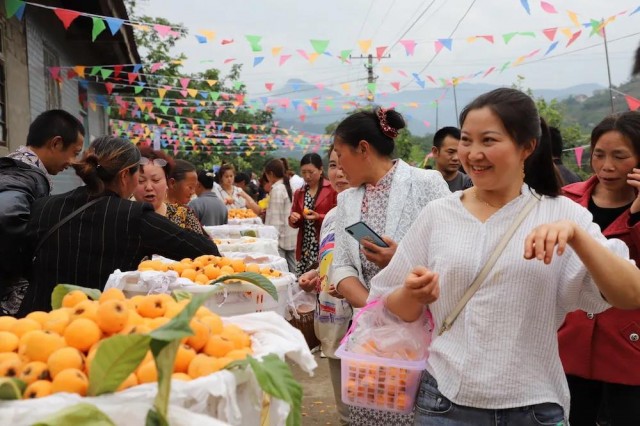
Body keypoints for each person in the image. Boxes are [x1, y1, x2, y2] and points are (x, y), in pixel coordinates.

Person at [370, 88, 640, 425]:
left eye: (489, 140)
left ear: (527, 146)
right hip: (445, 402)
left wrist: (578, 238)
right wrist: (412, 292)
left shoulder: (563, 214)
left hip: (534, 407)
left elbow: (630, 294)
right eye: (467, 140)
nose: (473, 153)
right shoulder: (438, 215)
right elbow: (390, 306)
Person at [331, 106, 450, 425]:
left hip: (418, 335)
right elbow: (341, 267)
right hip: (369, 338)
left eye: (340, 155)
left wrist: (399, 261)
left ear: (363, 149)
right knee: (368, 409)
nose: (339, 167)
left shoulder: (428, 184)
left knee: (410, 411)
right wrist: (376, 309)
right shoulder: (346, 200)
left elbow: (449, 256)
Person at [18, 136, 220, 315]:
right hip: (96, 326)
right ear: (125, 176)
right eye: (138, 176)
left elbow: (23, 263)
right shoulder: (134, 217)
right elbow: (206, 250)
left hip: (34, 326)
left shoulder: (43, 206)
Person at [558, 111, 640, 425]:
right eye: (599, 155)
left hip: (629, 346)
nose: (607, 166)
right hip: (571, 341)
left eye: (620, 157)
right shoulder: (567, 199)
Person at [0, 109, 85, 316]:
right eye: (74, 152)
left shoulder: (11, 168)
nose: (73, 162)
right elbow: (5, 216)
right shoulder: (24, 176)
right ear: (56, 143)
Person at [298, 145, 352, 426]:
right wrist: (314, 274)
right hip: (332, 319)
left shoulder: (370, 212)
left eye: (345, 164)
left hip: (361, 323)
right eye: (333, 165)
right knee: (343, 409)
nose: (339, 172)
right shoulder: (331, 215)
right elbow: (331, 258)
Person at [132, 148, 205, 235]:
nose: (148, 187)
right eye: (141, 181)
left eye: (156, 180)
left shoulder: (185, 217)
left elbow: (204, 248)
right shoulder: (123, 217)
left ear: (168, 182)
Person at [288, 153, 337, 276]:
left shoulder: (332, 189)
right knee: (304, 280)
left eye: (311, 172)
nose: (307, 176)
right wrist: (293, 218)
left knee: (322, 279)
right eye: (303, 172)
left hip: (323, 241)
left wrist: (319, 217)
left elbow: (338, 217)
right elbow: (294, 220)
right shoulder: (300, 192)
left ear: (320, 170)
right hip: (305, 244)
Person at [264, 159, 298, 273]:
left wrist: (271, 240)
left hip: (280, 239)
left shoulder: (277, 189)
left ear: (271, 174)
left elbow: (275, 220)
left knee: (281, 271)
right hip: (291, 235)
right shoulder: (287, 186)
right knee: (293, 271)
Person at [431, 126, 473, 192]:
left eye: (460, 152)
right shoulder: (424, 183)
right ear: (435, 152)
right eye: (450, 152)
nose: (456, 158)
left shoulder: (470, 184)